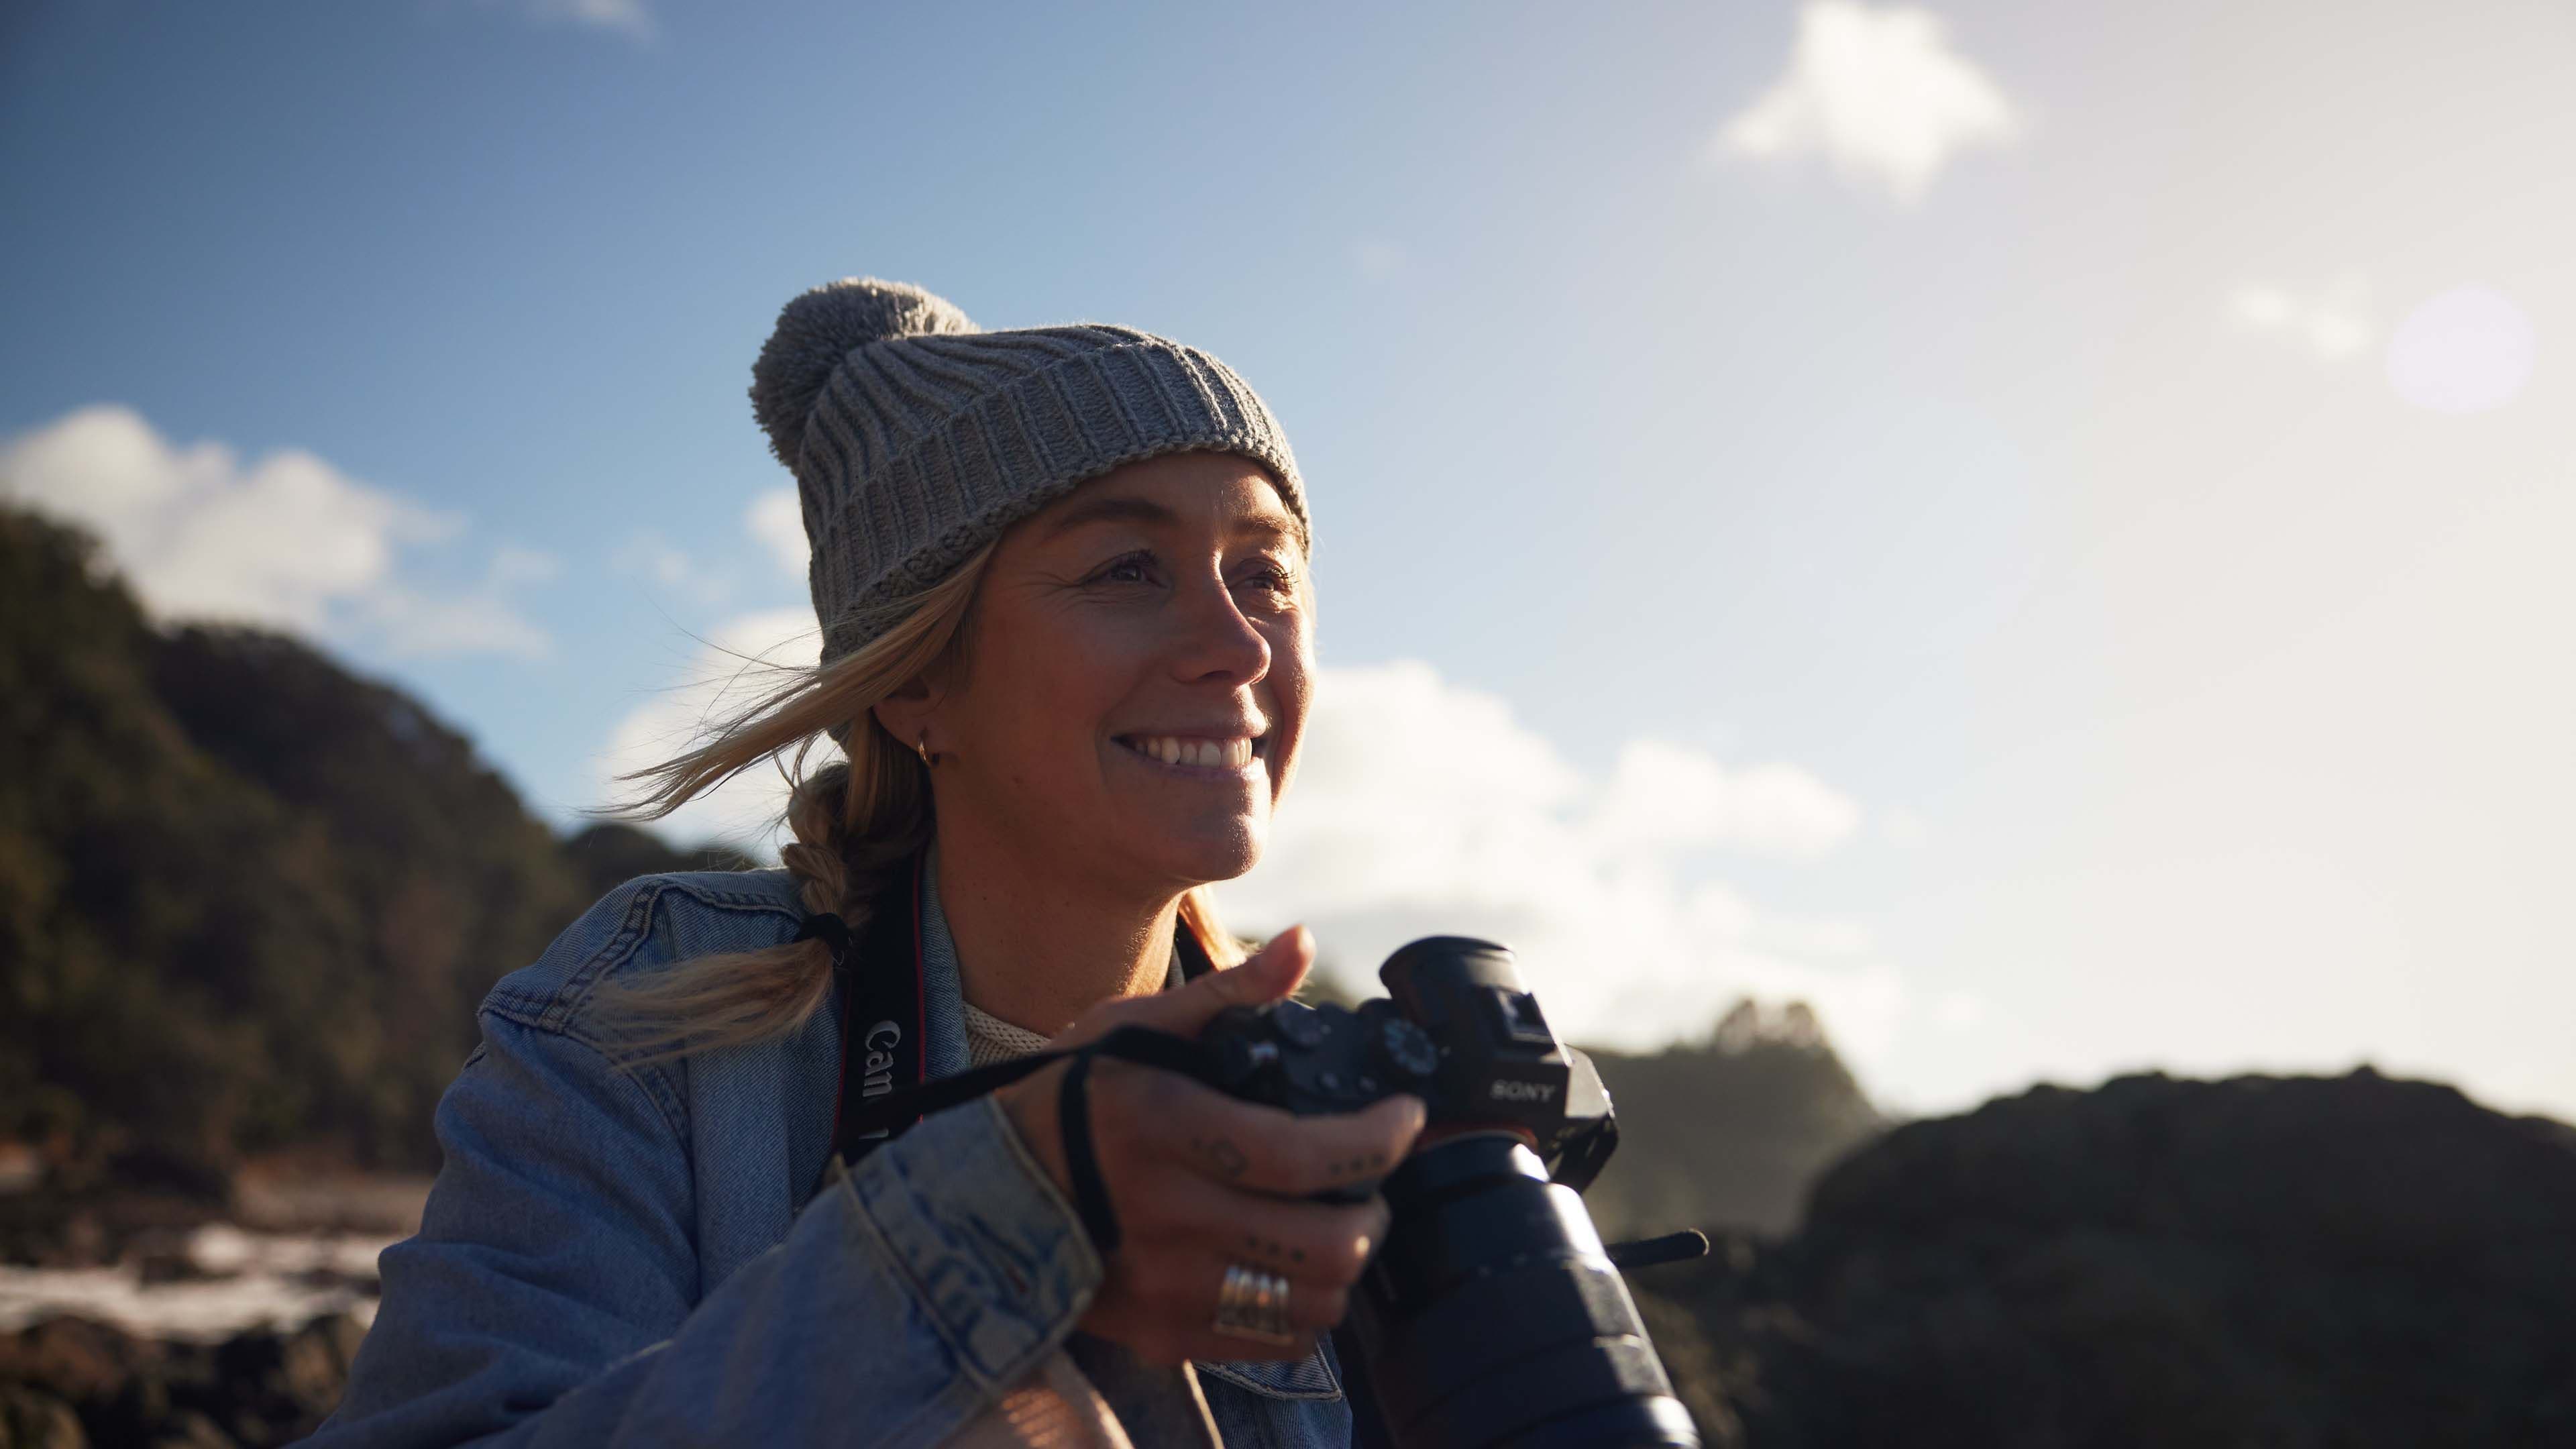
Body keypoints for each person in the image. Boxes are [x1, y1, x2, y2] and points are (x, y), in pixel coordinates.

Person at [310, 279, 1425, 1448]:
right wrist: (1002, 1220)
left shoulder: (1333, 1105)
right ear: (915, 685)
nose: (1238, 643)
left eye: (1266, 573)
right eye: (1127, 571)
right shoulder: (654, 1022)